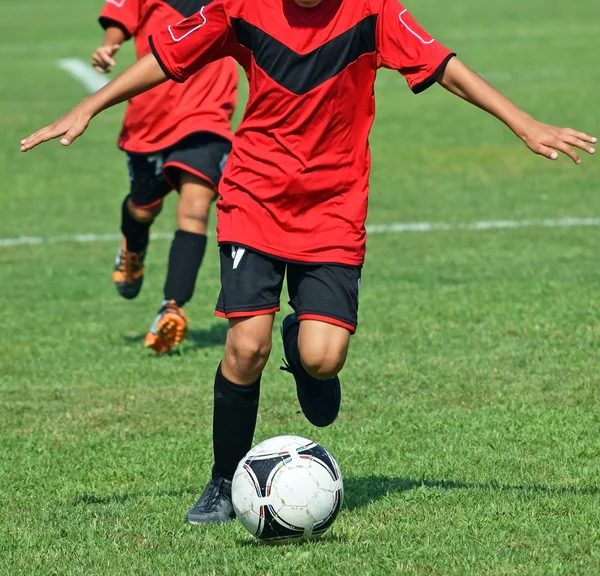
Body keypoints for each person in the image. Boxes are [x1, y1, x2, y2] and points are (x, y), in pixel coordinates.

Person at [21, 0, 595, 525]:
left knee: (323, 360)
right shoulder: (239, 8)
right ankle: (224, 481)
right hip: (254, 196)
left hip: (334, 206)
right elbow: (167, 56)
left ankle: (302, 344)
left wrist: (523, 123)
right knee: (246, 347)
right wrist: (91, 106)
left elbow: (443, 66)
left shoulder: (374, 12)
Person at [93, 0, 238, 354]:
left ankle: (172, 306)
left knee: (196, 207)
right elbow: (121, 16)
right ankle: (134, 245)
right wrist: (111, 44)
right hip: (150, 117)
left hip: (207, 114)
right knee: (143, 209)